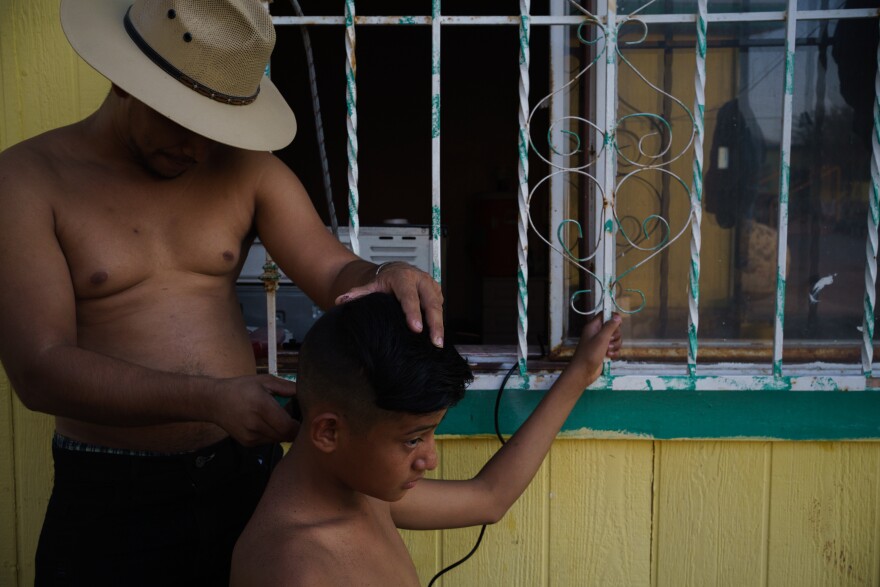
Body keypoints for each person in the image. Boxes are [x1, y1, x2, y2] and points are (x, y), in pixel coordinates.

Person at [0, 1, 443, 584]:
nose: (199, 150)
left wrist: (382, 276)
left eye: (217, 128)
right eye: (183, 121)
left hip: (244, 480)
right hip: (112, 494)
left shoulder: (246, 169)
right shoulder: (27, 181)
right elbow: (40, 371)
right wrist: (210, 398)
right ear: (124, 79)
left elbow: (336, 275)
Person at [230, 293, 623, 586]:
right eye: (413, 440)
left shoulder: (360, 490)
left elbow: (489, 497)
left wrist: (581, 372)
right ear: (329, 431)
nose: (430, 459)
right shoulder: (293, 569)